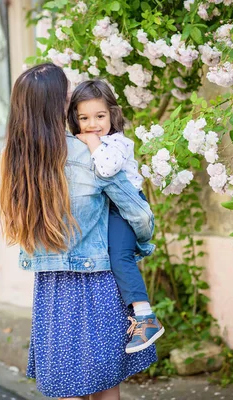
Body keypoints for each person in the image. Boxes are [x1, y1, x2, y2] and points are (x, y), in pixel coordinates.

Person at [0, 63, 157, 400]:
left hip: (52, 291)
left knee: (64, 387)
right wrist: (137, 246)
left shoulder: (15, 160)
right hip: (98, 282)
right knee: (104, 386)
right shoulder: (90, 152)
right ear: (57, 104)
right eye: (67, 92)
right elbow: (138, 213)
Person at [67, 80, 164, 354]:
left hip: (124, 208)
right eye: (84, 118)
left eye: (100, 116)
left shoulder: (119, 143)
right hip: (105, 209)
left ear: (112, 114)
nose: (92, 124)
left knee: (119, 256)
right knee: (109, 257)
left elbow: (107, 169)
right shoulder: (80, 141)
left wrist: (92, 141)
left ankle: (145, 317)